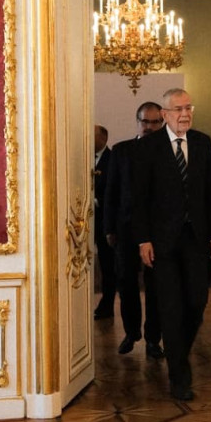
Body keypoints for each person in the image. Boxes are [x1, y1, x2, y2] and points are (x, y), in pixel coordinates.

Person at [131, 88, 211, 400]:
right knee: (171, 307)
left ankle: (178, 352)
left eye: (188, 108)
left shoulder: (203, 142)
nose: (185, 114)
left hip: (197, 240)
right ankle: (179, 377)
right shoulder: (149, 148)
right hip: (162, 243)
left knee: (197, 302)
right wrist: (143, 239)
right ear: (166, 114)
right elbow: (139, 199)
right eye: (178, 109)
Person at [102, 102, 166, 356]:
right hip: (125, 229)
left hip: (158, 230)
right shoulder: (121, 150)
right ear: (137, 121)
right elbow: (111, 192)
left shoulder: (168, 151)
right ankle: (131, 333)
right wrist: (109, 227)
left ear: (161, 122)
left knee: (156, 287)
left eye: (154, 122)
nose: (149, 127)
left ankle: (153, 339)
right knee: (126, 282)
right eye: (145, 122)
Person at [92, 124, 115, 319]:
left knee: (107, 265)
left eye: (92, 136)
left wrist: (96, 200)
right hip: (83, 223)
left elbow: (114, 190)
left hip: (104, 222)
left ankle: (107, 303)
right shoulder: (83, 158)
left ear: (103, 139)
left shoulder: (112, 159)